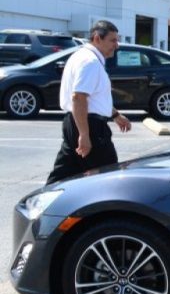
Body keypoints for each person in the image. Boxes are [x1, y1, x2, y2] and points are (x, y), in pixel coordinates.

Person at [46, 20, 131, 184]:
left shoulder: (83, 57)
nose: (117, 45)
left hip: (77, 122)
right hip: (90, 126)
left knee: (62, 177)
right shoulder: (89, 62)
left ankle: (41, 205)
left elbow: (94, 97)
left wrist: (115, 115)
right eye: (113, 40)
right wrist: (84, 135)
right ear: (97, 38)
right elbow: (79, 98)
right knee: (107, 177)